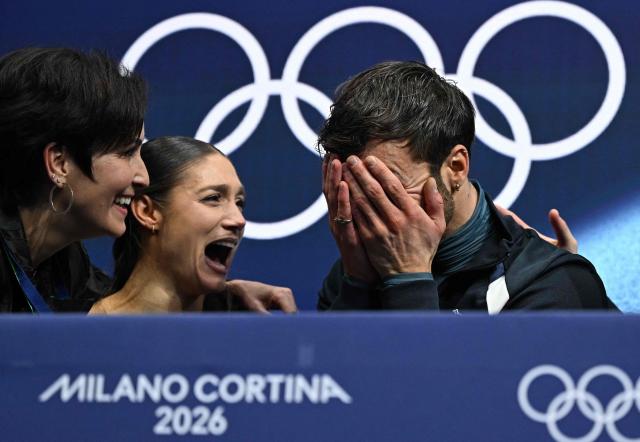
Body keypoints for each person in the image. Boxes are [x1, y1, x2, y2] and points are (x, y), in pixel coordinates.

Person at [317, 61, 616, 312]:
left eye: (386, 183)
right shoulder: (350, 272)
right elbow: (330, 381)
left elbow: (440, 382)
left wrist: (408, 280)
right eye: (351, 184)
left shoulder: (547, 281)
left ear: (456, 167)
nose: (366, 204)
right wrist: (356, 284)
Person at [0, 47, 148, 312]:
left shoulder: (65, 261)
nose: (144, 177)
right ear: (59, 163)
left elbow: (124, 308)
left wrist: (226, 299)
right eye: (127, 152)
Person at [89, 136, 297, 314]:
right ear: (148, 212)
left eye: (240, 203)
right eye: (213, 198)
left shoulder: (252, 327)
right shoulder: (85, 333)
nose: (239, 220)